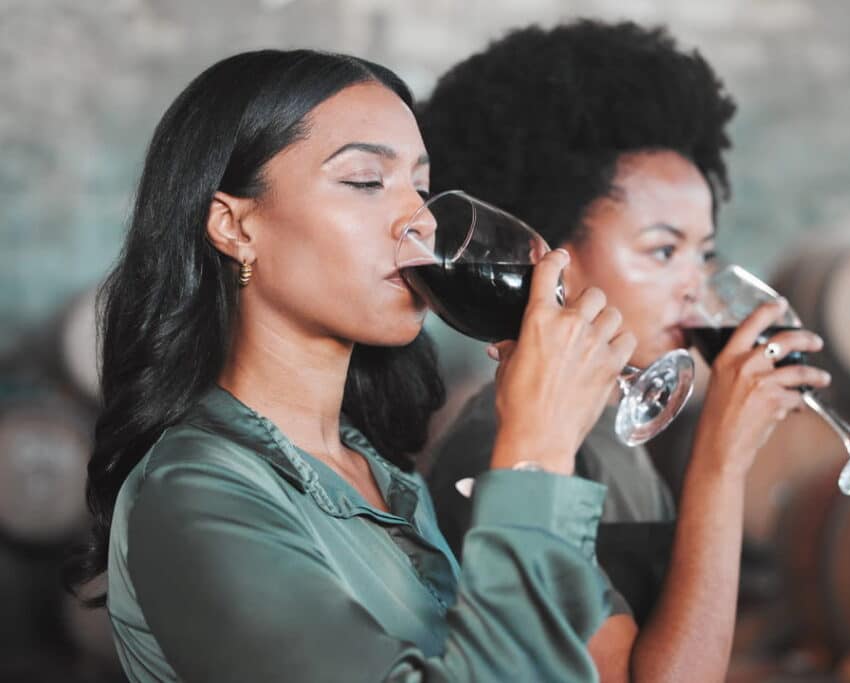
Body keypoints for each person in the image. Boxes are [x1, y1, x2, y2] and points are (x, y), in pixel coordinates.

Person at [65, 48, 641, 682]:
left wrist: (539, 435)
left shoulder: (385, 477)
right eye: (366, 181)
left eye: (420, 190)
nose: (417, 223)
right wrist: (537, 450)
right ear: (233, 226)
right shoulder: (192, 493)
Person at [421, 21, 830, 682]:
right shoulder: (507, 448)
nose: (697, 287)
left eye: (705, 254)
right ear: (546, 255)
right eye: (663, 251)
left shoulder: (616, 430)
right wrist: (721, 465)